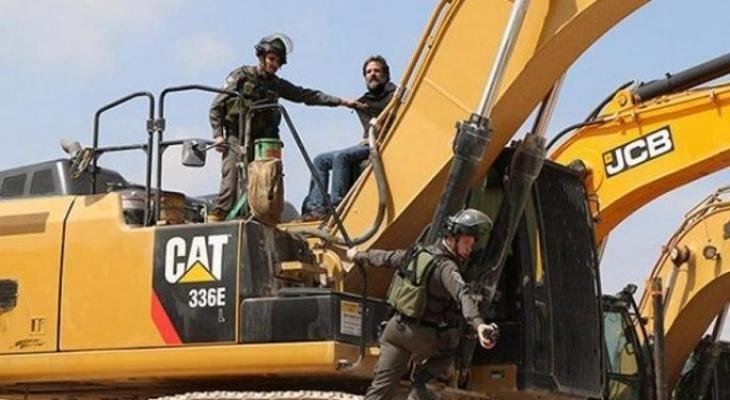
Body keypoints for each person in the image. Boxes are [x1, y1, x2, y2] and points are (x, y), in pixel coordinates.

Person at [347, 209, 499, 400]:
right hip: (420, 336)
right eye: (466, 243)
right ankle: (419, 384)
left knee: (380, 391)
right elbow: (463, 294)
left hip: (394, 331)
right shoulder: (447, 267)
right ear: (452, 239)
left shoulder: (418, 254)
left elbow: (387, 258)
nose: (469, 249)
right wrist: (479, 325)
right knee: (453, 345)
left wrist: (358, 255)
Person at [208, 32, 363, 220]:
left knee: (267, 180)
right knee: (230, 181)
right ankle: (217, 216)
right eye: (271, 59)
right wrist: (218, 135)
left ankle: (261, 218)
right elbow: (216, 106)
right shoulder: (241, 76)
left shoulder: (276, 85)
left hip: (262, 142)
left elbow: (306, 95)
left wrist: (340, 101)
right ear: (262, 57)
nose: (274, 64)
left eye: (278, 62)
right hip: (236, 137)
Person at [301, 55, 397, 220]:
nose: (372, 75)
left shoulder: (393, 96)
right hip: (365, 144)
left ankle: (338, 206)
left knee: (341, 157)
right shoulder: (365, 100)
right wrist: (345, 103)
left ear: (385, 74)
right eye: (368, 72)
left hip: (379, 143)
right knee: (320, 160)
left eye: (376, 71)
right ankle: (316, 208)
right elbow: (352, 104)